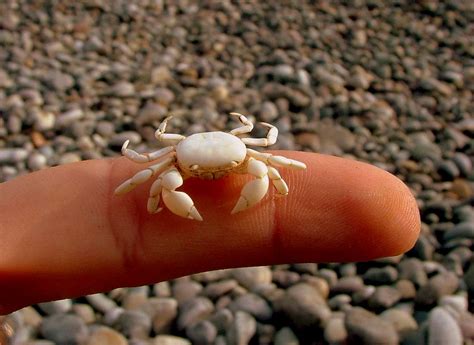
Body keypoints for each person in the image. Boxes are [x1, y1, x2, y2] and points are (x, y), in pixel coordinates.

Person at [0, 151, 420, 314]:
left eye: (216, 171)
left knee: (274, 174)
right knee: (151, 184)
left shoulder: (246, 157)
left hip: (229, 152)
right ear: (182, 157)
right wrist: (155, 199)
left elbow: (270, 157)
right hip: (191, 154)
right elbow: (143, 165)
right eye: (200, 171)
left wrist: (277, 181)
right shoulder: (175, 161)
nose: (210, 176)